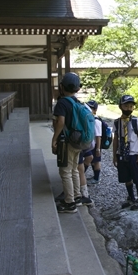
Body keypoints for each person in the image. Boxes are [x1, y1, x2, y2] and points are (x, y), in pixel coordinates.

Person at [52, 72, 86, 213]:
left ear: (61, 86)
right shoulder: (78, 102)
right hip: (79, 141)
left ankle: (69, 202)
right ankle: (77, 197)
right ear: (77, 89)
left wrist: (54, 138)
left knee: (65, 171)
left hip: (66, 141)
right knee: (74, 170)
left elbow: (60, 122)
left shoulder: (62, 103)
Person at [113, 95, 138, 210]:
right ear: (120, 106)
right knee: (126, 178)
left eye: (131, 106)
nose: (128, 108)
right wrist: (114, 155)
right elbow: (116, 139)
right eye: (126, 106)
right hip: (122, 154)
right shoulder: (117, 122)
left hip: (134, 154)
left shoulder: (136, 121)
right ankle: (131, 197)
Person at [85, 100, 103, 185]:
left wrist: (98, 148)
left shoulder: (96, 121)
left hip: (96, 144)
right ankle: (95, 176)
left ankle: (96, 178)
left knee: (96, 161)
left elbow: (98, 135)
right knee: (92, 160)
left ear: (95, 110)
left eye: (91, 108)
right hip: (91, 144)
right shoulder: (90, 119)